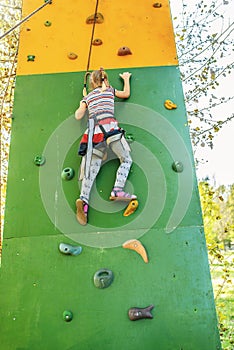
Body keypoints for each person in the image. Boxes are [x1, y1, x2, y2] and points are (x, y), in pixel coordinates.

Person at [75, 68, 136, 225]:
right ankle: (117, 189)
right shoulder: (109, 91)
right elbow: (125, 94)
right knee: (126, 159)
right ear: (105, 80)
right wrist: (126, 79)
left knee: (91, 169)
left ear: (91, 83)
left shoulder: (87, 98)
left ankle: (84, 200)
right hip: (110, 128)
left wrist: (83, 103)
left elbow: (78, 116)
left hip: (93, 133)